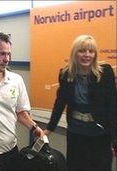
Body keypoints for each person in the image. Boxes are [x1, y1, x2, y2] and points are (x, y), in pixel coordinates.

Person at [44, 35, 116, 171]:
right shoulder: (66, 74)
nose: (87, 55)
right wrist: (49, 128)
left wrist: (114, 138)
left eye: (91, 51)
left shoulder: (105, 72)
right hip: (76, 134)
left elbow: (112, 106)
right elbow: (60, 103)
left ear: (95, 54)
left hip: (100, 135)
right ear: (74, 53)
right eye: (82, 51)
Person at [0, 31, 44, 170]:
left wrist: (35, 128)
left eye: (8, 54)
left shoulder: (16, 80)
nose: (6, 59)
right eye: (1, 54)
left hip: (11, 152)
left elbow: (20, 113)